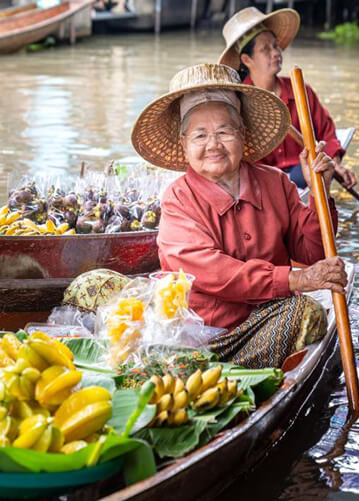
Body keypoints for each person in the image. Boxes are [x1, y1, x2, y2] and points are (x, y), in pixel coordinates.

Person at [130, 63, 347, 368]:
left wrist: (319, 193)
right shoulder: (178, 198)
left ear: (243, 135)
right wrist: (295, 278)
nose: (213, 145)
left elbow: (313, 253)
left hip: (263, 326)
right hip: (200, 336)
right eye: (200, 136)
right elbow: (212, 271)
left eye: (224, 132)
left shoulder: (276, 183)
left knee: (304, 313)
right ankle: (210, 374)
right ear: (184, 145)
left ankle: (226, 378)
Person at [218, 7, 356, 190]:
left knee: (307, 173)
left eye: (275, 46)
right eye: (265, 49)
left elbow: (327, 134)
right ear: (247, 59)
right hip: (264, 180)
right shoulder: (238, 102)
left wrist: (335, 164)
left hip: (303, 173)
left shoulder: (301, 91)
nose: (276, 52)